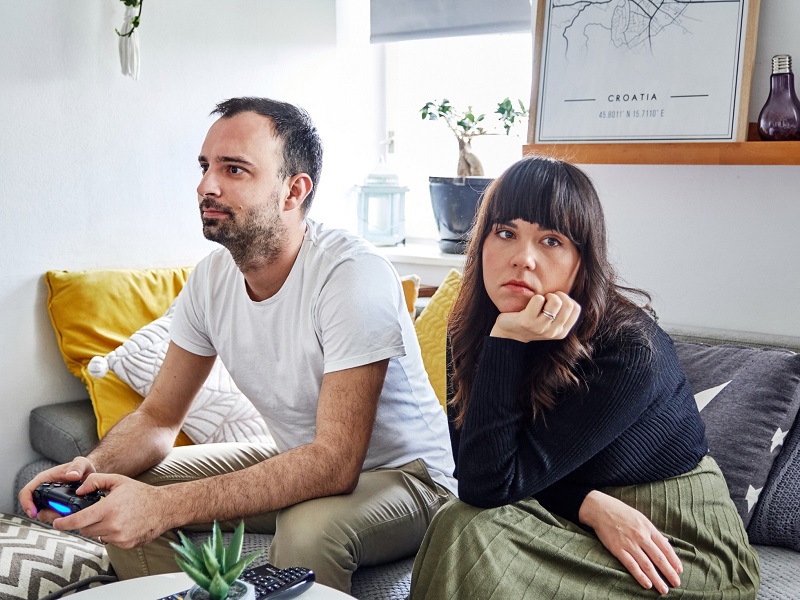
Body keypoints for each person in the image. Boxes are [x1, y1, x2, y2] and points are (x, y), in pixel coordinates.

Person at [20, 96, 456, 594]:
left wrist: (166, 507)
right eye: (206, 166)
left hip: (412, 478)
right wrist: (89, 470)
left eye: (234, 169)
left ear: (294, 191)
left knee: (309, 531)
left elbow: (335, 462)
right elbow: (159, 417)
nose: (206, 185)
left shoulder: (352, 276)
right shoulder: (211, 280)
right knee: (123, 492)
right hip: (304, 456)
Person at [409, 155, 760, 599]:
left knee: (469, 531)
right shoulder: (478, 328)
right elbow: (478, 476)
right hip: (570, 514)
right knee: (461, 523)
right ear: (481, 242)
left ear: (582, 259)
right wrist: (588, 504)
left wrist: (583, 504)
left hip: (673, 544)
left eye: (551, 240)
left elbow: (488, 486)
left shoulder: (630, 349)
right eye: (505, 233)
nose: (524, 259)